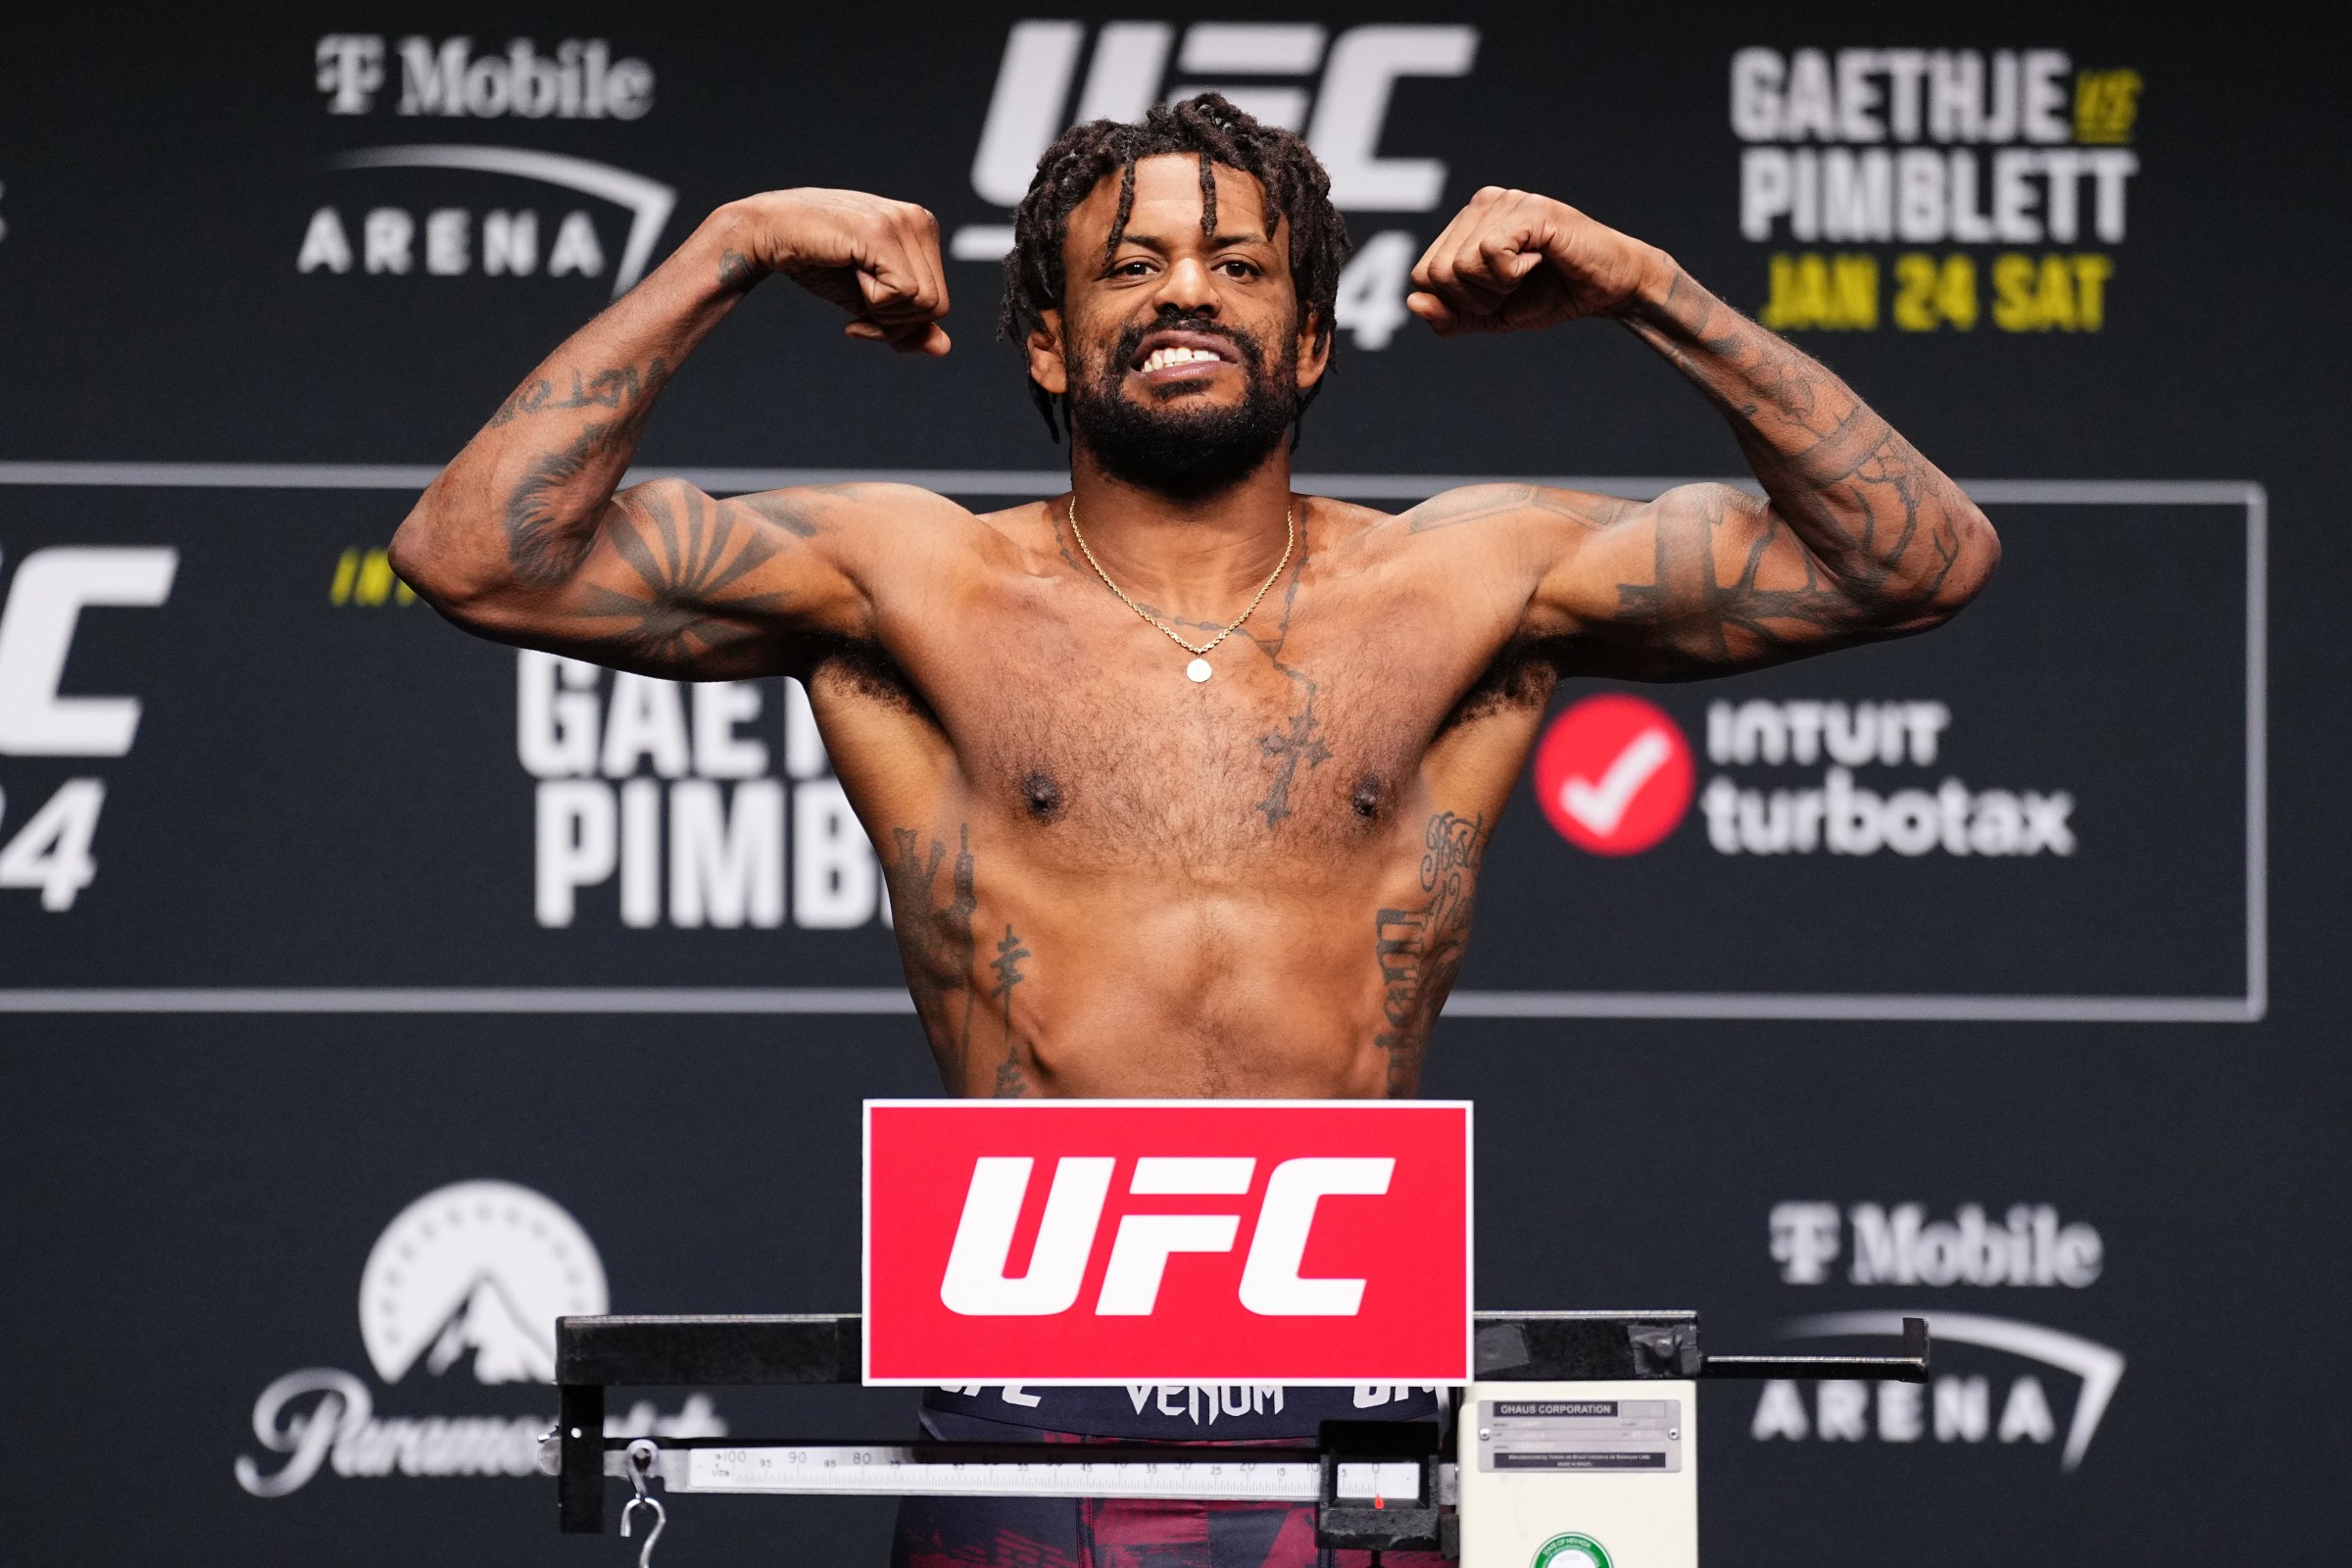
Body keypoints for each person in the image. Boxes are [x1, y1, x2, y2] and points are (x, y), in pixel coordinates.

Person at [391, 94, 1997, 1567]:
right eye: (1131, 262)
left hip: (1357, 1408)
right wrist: (730, 248)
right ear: (1046, 342)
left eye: (1240, 263)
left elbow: (1914, 562)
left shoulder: (1468, 580)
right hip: (1021, 1420)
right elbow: (478, 555)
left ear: (1307, 343)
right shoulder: (909, 580)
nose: (1185, 291)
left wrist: (1649, 284)